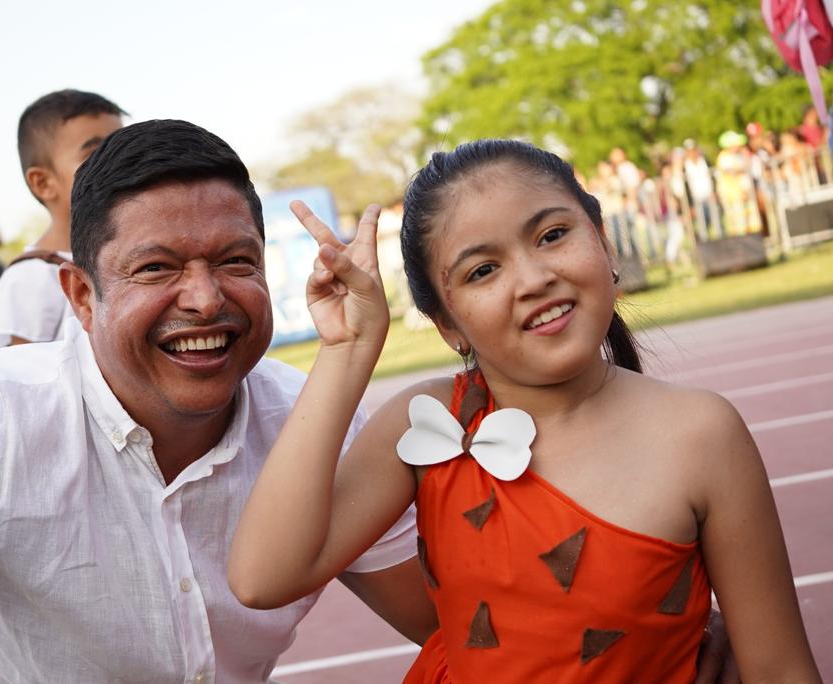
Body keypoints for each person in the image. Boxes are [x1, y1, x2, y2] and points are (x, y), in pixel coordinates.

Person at [0, 121, 736, 684]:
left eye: (236, 263)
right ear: (82, 298)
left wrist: (669, 624)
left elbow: (463, 617)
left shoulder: (316, 428)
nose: (205, 299)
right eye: (158, 269)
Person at [229, 140, 820, 682]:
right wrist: (348, 348)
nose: (535, 278)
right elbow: (262, 578)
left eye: (552, 235)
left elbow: (781, 668)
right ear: (447, 325)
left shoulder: (703, 434)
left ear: (604, 242)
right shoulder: (429, 423)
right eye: (483, 270)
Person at [0, 89, 125, 348]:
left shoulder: (133, 254)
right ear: (44, 183)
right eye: (95, 154)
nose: (118, 165)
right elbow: (23, 379)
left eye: (124, 149)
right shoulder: (31, 277)